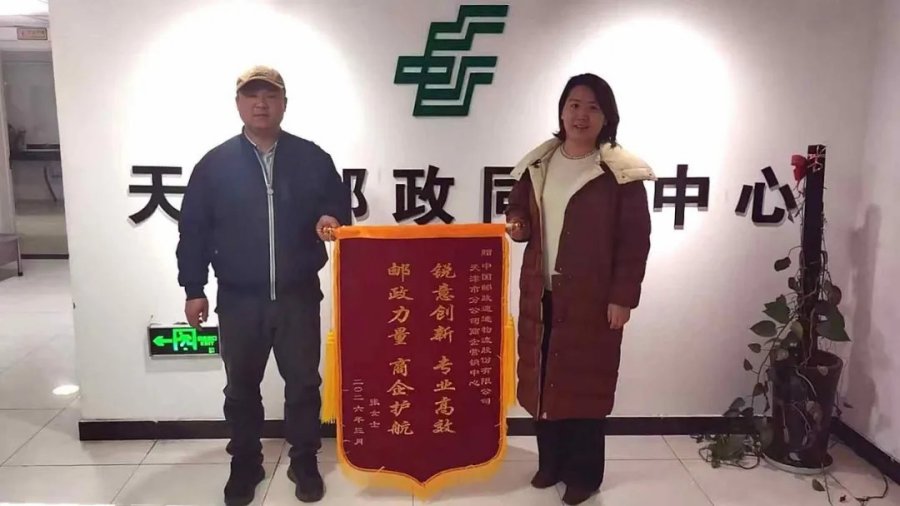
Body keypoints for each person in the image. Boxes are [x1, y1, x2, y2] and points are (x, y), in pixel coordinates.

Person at [176, 65, 350, 505]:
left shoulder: (312, 158)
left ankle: (304, 460)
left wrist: (331, 217)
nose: (261, 104)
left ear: (284, 104)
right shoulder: (214, 165)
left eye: (270, 96)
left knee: (304, 385)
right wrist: (193, 287)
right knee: (240, 388)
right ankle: (245, 463)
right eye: (252, 96)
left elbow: (337, 203)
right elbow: (193, 230)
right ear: (238, 104)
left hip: (297, 296)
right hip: (239, 299)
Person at [505, 73, 654, 505]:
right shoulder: (540, 163)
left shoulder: (619, 173)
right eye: (573, 105)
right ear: (562, 111)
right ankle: (550, 463)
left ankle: (584, 475)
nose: (581, 115)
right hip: (541, 293)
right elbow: (519, 208)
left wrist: (623, 297)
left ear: (607, 117)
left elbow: (635, 241)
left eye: (592, 107)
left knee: (585, 386)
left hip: (593, 299)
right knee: (543, 382)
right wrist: (518, 224)